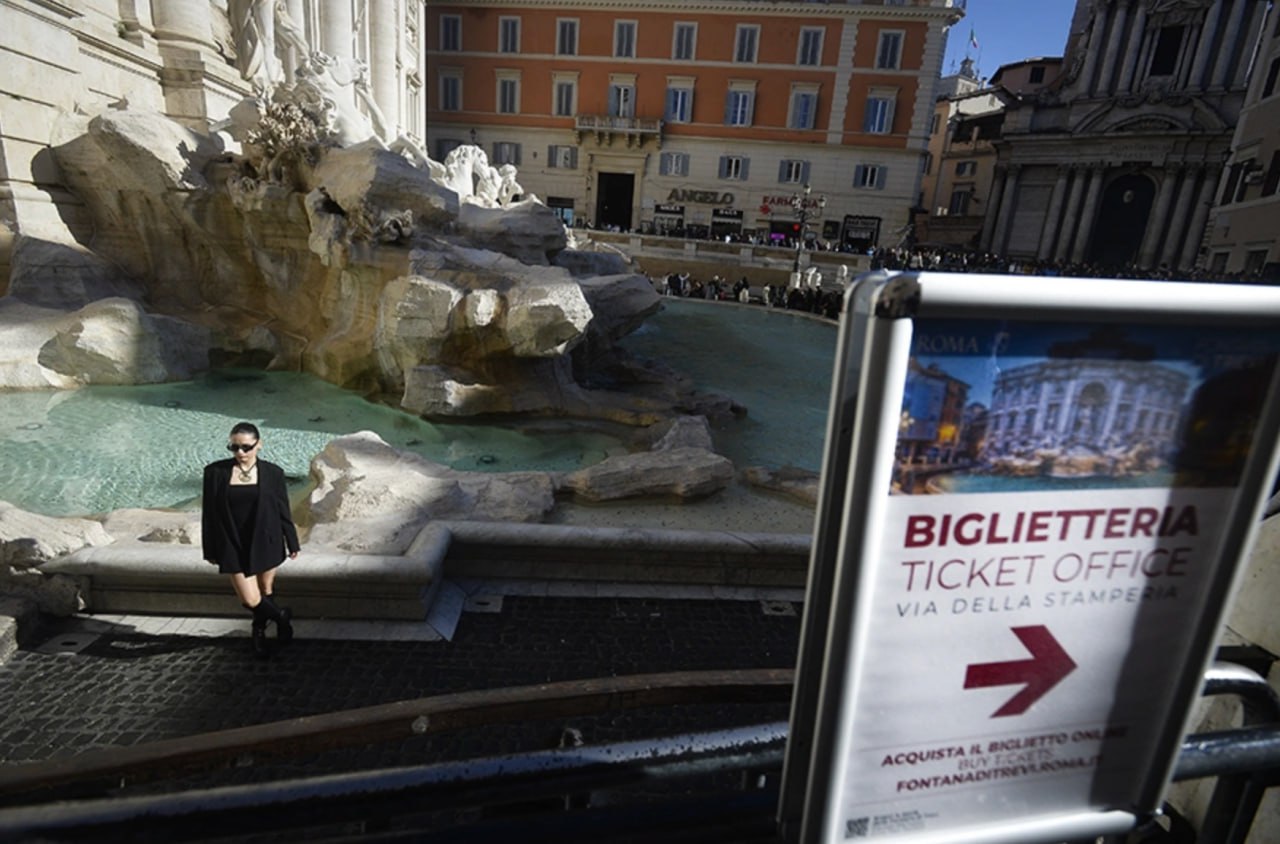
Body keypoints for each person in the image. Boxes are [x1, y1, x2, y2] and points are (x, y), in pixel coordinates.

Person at [202, 422, 300, 658]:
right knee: (250, 597)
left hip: (266, 538)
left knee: (265, 590)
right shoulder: (215, 472)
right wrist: (210, 549)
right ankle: (281, 617)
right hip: (232, 542)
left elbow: (282, 510)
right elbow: (209, 515)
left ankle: (258, 632)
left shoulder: (273, 473)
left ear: (259, 445)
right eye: (234, 447)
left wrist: (292, 541)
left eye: (246, 447)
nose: (240, 453)